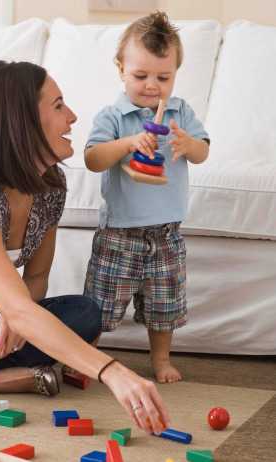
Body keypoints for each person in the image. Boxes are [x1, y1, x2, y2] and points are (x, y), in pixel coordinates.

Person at [0, 60, 169, 434]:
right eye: (59, 105)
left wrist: (14, 311)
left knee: (83, 313)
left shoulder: (49, 184)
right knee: (34, 321)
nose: (74, 116)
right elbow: (18, 306)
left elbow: (38, 276)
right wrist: (113, 372)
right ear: (21, 119)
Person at [84, 11, 210, 384]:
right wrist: (126, 143)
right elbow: (92, 159)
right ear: (121, 69)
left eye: (163, 77)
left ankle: (160, 359)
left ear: (175, 74)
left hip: (167, 233)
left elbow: (203, 151)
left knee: (164, 306)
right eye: (141, 76)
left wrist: (189, 144)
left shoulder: (180, 112)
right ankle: (87, 358)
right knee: (101, 305)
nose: (152, 86)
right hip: (120, 233)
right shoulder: (113, 116)